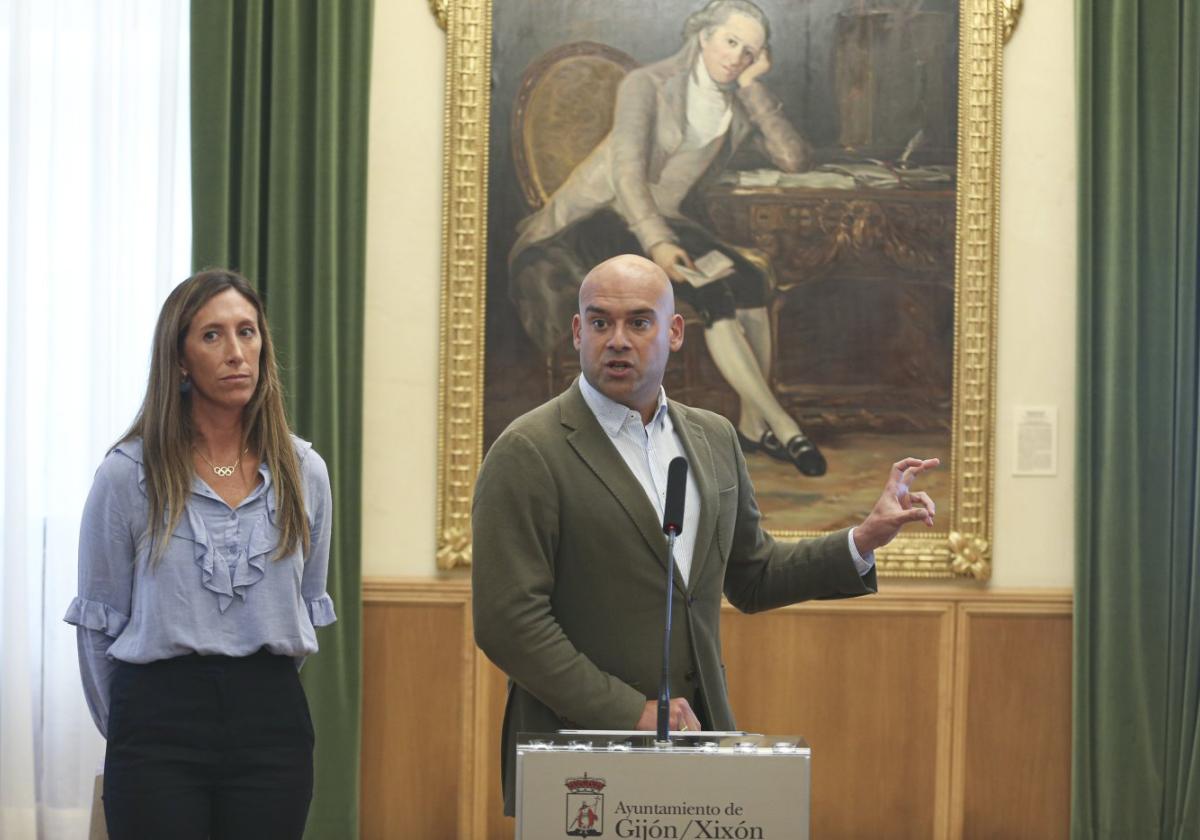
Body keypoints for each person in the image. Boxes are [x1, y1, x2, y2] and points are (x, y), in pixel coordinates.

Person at [472, 254, 938, 814]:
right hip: (577, 757)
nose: (617, 339)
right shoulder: (529, 450)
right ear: (577, 332)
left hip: (699, 748)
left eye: (639, 322)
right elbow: (509, 623)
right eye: (600, 322)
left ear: (674, 332)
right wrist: (630, 713)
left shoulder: (713, 438)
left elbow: (753, 574)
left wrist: (862, 538)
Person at [64, 269, 336, 839]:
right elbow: (97, 626)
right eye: (212, 335)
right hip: (158, 724)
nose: (237, 352)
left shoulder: (305, 471)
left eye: (248, 332)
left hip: (271, 725)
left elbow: (304, 605)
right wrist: (134, 729)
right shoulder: (127, 475)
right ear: (180, 360)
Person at [510, 0, 827, 475]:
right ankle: (783, 425)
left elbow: (794, 159)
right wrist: (657, 241)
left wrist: (751, 86)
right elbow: (628, 175)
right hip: (601, 219)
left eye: (750, 52)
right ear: (703, 36)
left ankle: (751, 424)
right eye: (731, 41)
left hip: (664, 218)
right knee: (711, 290)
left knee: (750, 283)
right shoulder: (648, 85)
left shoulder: (736, 98)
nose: (737, 56)